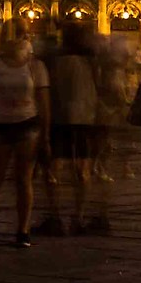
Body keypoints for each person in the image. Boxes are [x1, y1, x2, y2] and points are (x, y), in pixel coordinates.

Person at [0, 20, 48, 246]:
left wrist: (46, 135)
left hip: (27, 125)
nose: (20, 38)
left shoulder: (35, 65)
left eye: (22, 34)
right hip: (1, 125)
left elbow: (44, 102)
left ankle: (23, 230)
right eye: (16, 34)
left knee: (24, 181)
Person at [40, 21, 105, 234]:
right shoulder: (91, 59)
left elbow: (49, 88)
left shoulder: (55, 59)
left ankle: (55, 215)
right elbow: (98, 88)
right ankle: (78, 216)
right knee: (83, 171)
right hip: (85, 118)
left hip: (59, 117)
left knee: (53, 169)